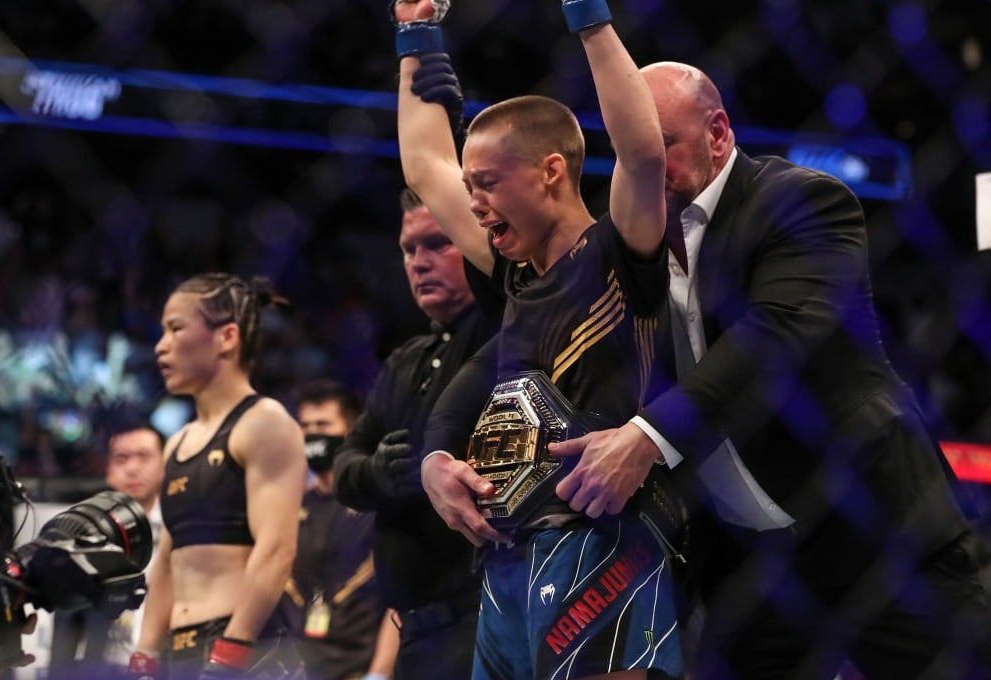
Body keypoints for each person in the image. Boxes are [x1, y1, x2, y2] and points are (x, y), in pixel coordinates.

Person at [548, 62, 991, 678]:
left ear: (719, 134)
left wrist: (645, 438)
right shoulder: (631, 244)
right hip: (746, 564)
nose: (648, 166)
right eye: (630, 151)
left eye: (663, 145)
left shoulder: (801, 201)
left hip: (877, 537)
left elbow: (777, 335)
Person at [396, 1, 683, 678]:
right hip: (508, 550)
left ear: (551, 171)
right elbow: (422, 165)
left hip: (605, 539)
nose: (472, 203)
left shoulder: (620, 251)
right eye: (470, 187)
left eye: (488, 183)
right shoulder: (516, 274)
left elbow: (642, 151)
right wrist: (414, 29)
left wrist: (586, 13)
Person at [332, 188, 501, 679]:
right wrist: (379, 473)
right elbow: (347, 465)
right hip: (413, 630)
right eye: (409, 250)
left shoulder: (502, 330)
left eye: (438, 244)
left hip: (481, 615)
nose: (419, 263)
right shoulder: (406, 358)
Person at [129, 273, 307, 680]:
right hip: (181, 650)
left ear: (226, 337)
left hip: (244, 647)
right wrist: (145, 654)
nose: (161, 346)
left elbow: (277, 549)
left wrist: (233, 651)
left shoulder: (265, 423)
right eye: (162, 332)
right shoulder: (176, 443)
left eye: (176, 328)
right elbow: (169, 564)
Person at [284, 379, 399, 680]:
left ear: (350, 430)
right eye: (305, 426)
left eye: (323, 424)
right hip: (301, 669)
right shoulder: (291, 506)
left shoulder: (378, 503)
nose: (312, 434)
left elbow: (399, 601)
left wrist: (379, 673)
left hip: (360, 668)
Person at [49, 418, 166, 679]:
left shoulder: (180, 530)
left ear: (165, 465)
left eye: (144, 457)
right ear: (108, 471)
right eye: (121, 459)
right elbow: (66, 626)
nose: (133, 468)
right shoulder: (85, 532)